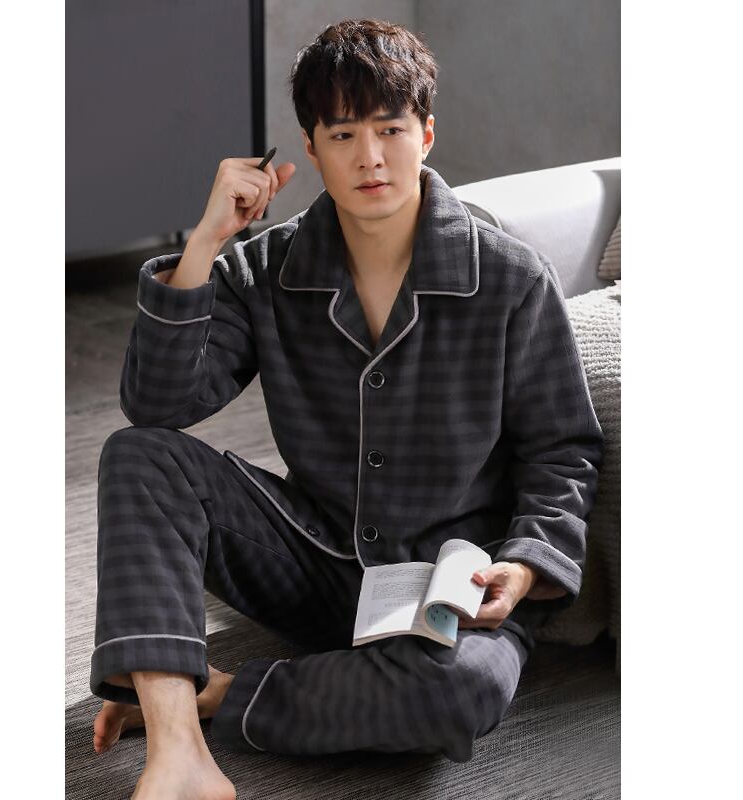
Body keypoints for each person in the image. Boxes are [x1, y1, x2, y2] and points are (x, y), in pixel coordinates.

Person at [89, 18, 604, 800]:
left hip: (449, 585)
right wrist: (204, 244)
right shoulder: (266, 268)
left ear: (426, 134)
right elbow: (158, 406)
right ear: (311, 147)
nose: (370, 157)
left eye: (390, 129)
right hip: (317, 556)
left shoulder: (510, 279)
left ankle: (215, 695)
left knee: (460, 692)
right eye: (343, 134)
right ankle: (177, 748)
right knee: (139, 456)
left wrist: (528, 563)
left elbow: (563, 448)